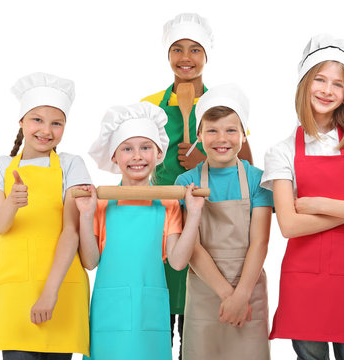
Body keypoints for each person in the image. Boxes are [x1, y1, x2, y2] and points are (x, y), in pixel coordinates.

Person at [261, 34, 344, 359]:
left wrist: (318, 204)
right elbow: (290, 225)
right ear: (305, 83)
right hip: (305, 277)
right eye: (319, 79)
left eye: (337, 84)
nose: (326, 90)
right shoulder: (280, 152)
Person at [141, 14, 253, 355]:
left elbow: (246, 165)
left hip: (212, 227)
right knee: (158, 325)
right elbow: (134, 161)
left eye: (195, 49)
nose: (185, 57)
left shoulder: (223, 104)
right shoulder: (149, 106)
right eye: (177, 49)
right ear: (167, 54)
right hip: (161, 226)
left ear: (207, 56)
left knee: (198, 330)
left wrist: (201, 162)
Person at [75, 102, 204, 360]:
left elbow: (178, 262)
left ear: (158, 154)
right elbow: (90, 262)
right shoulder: (101, 202)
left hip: (150, 313)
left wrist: (195, 214)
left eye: (146, 147)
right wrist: (86, 215)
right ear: (114, 156)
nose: (137, 156)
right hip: (109, 316)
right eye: (127, 149)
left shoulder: (167, 203)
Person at [0, 72, 90, 360]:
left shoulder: (71, 165)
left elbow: (72, 231)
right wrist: (13, 203)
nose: (46, 130)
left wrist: (50, 292)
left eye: (57, 123)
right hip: (15, 292)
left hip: (61, 286)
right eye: (37, 120)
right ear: (21, 122)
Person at [175, 84, 273, 360]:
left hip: (249, 290)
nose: (222, 139)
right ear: (199, 134)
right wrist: (226, 295)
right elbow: (192, 247)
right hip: (206, 293)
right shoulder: (186, 182)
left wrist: (240, 297)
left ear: (244, 134)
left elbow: (260, 243)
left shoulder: (258, 180)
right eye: (212, 130)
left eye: (231, 130)